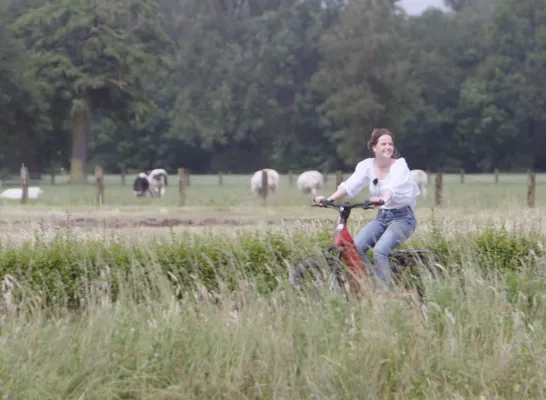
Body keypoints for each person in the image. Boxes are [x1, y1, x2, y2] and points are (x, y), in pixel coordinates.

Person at [313, 128, 420, 293]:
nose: (388, 147)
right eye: (383, 144)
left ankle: (383, 295)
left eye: (390, 144)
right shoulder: (367, 165)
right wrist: (330, 199)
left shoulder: (400, 165)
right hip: (382, 217)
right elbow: (350, 186)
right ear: (374, 147)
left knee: (380, 251)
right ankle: (375, 280)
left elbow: (392, 188)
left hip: (403, 218)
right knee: (354, 249)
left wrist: (383, 199)